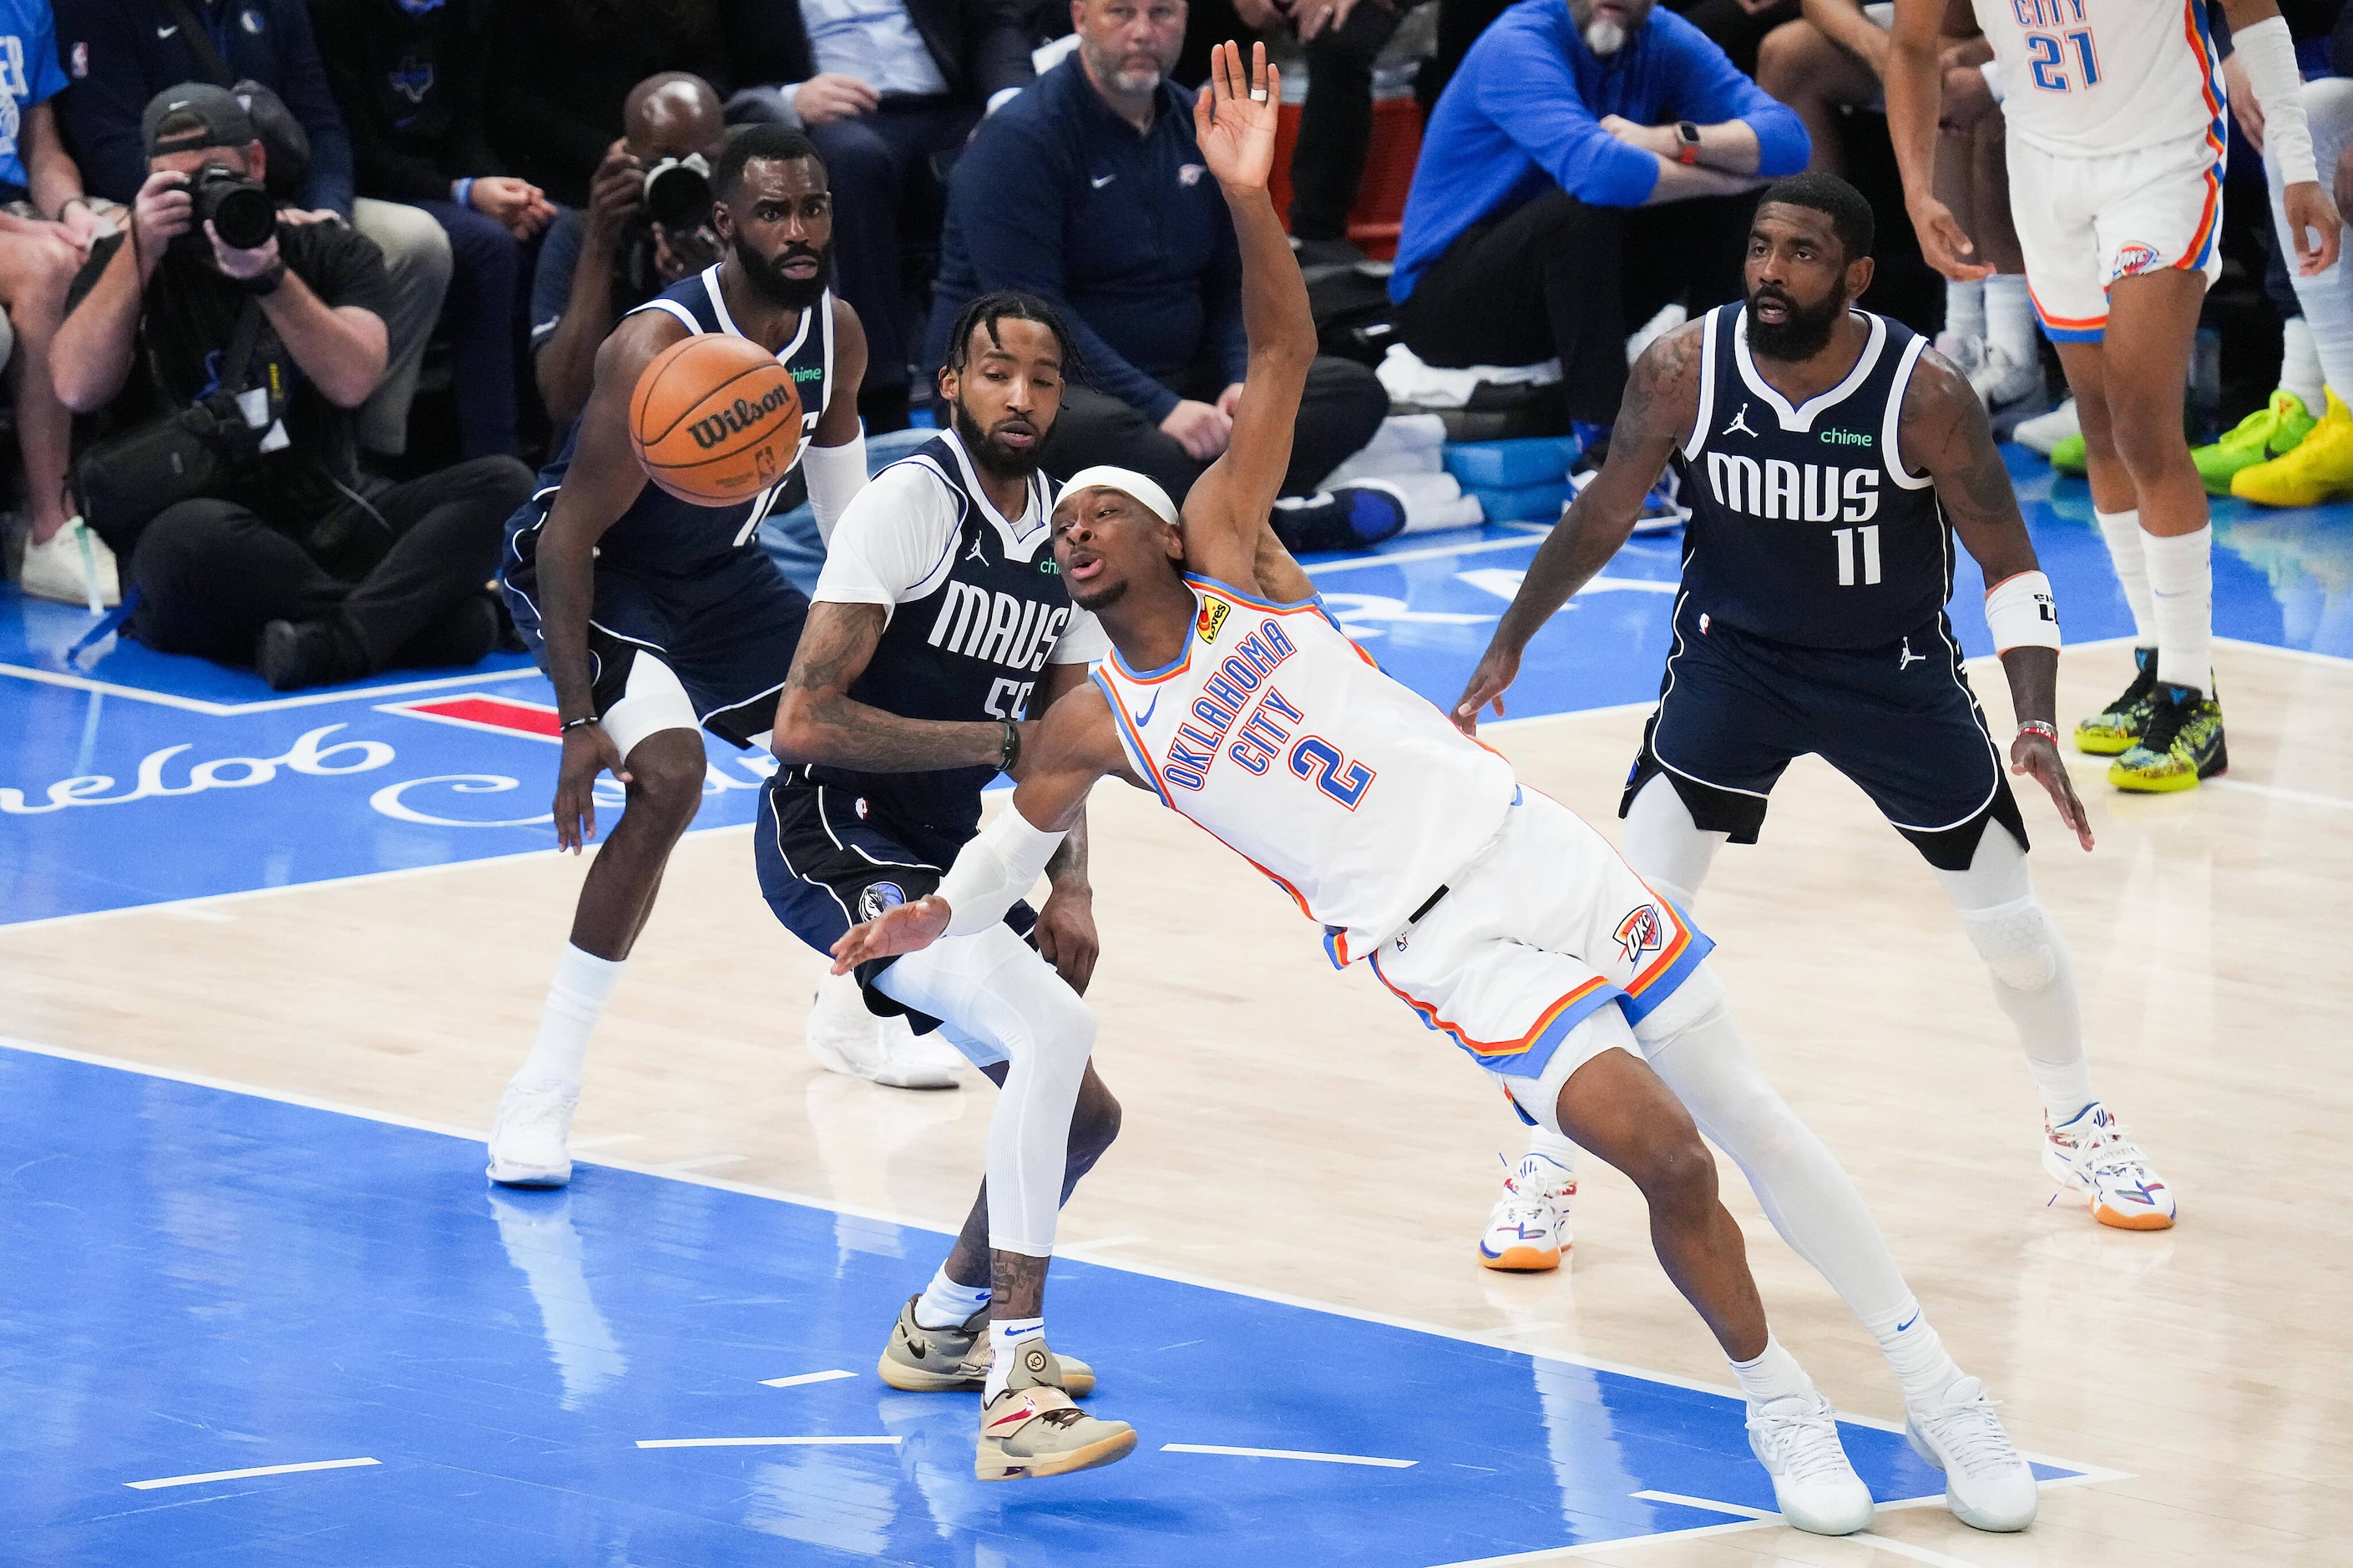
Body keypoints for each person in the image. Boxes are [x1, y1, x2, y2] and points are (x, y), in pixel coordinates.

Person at [834, 46, 2037, 1535]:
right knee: (1657, 1149)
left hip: (1531, 852)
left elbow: (1280, 360)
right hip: (1437, 943)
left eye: (1097, 510)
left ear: (1157, 534)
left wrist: (1248, 195)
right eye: (1058, 524)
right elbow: (1009, 850)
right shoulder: (1091, 722)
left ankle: (1934, 1385)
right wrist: (930, 919)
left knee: (1756, 1120)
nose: (1070, 531)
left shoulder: (1238, 571)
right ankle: (1780, 1396)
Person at [1455, 174, 2175, 1297]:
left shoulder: (1924, 392)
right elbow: (1601, 513)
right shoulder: (1685, 368)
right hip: (1731, 664)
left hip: (1887, 676)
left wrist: (2033, 716)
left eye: (1798, 254)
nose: (1767, 273)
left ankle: (2075, 1118)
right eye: (1757, 247)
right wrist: (1508, 644)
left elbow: (2011, 564)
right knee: (1632, 925)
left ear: (1854, 276)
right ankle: (1550, 1154)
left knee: (2008, 926)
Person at [760, 288, 1134, 1483]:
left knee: (1082, 1111)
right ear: (949, 386)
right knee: (1051, 1025)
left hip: (946, 856)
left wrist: (1070, 887)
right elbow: (802, 720)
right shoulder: (910, 506)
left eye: (1038, 376)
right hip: (836, 838)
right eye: (994, 372)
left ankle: (937, 1324)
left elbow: (1065, 737)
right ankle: (1017, 1384)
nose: (1018, 395)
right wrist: (986, 744)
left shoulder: (1066, 538)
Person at [487, 124, 874, 1190]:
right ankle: (542, 1089)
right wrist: (575, 723)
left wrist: (880, 665)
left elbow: (852, 538)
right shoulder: (651, 350)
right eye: (772, 214)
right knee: (667, 780)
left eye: (814, 209)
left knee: (862, 747)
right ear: (723, 225)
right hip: (600, 573)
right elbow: (567, 538)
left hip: (720, 580)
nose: (799, 233)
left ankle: (856, 1005)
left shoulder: (835, 335)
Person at [1885, 0, 2340, 791]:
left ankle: (2193, 697)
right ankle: (2156, 663)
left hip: (2164, 158)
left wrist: (2297, 168)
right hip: (2044, 168)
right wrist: (1917, 189)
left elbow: (2258, 17)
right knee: (2097, 423)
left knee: (2141, 420)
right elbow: (1913, 45)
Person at [53, 85, 529, 689]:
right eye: (175, 183)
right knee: (186, 543)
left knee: (508, 485)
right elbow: (74, 387)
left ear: (255, 163)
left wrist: (272, 279)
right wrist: (139, 252)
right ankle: (410, 620)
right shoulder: (121, 263)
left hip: (330, 513)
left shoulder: (330, 250)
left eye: (212, 175)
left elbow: (354, 379)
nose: (199, 197)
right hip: (208, 531)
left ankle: (338, 643)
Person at [923, 0, 1389, 516]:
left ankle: (1195, 513)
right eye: (1121, 13)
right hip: (1054, 382)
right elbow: (1030, 314)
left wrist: (1242, 380)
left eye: (1162, 14)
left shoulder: (1201, 125)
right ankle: (1255, 522)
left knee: (1351, 391)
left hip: (1187, 377)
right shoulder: (1019, 139)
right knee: (1100, 433)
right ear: (1081, 20)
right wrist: (1162, 408)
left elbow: (1231, 284)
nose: (1143, 33)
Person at [1389, 0, 1809, 460]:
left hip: (1573, 289)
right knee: (1588, 207)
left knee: (1739, 208)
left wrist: (1672, 140)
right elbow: (1602, 174)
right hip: (1447, 304)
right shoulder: (1519, 43)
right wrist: (1727, 178)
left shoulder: (1662, 38)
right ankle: (1604, 451)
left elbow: (1790, 141)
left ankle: (1721, 425)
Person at [54, 0, 453, 460]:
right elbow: (108, 143)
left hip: (262, 185)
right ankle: (160, 456)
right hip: (146, 194)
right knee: (107, 247)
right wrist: (177, 208)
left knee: (418, 241)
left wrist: (326, 212)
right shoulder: (101, 10)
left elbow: (320, 121)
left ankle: (370, 447)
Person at [726, 0, 1039, 429]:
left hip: (950, 105)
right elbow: (714, 74)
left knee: (1012, 144)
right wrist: (790, 98)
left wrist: (1010, 102)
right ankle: (881, 394)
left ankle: (1027, 366)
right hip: (837, 123)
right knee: (852, 163)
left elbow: (994, 22)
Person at [1754, 0, 2040, 409]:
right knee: (1789, 55)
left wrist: (1927, 61)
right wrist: (1881, 50)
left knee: (1944, 50)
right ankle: (1824, 321)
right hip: (1917, 41)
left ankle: (1998, 347)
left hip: (2021, 45)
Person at [311, 0, 557, 461]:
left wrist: (507, 193)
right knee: (490, 246)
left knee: (550, 226)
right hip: (370, 184)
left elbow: (467, 127)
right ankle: (493, 456)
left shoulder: (468, 11)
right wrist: (463, 192)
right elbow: (355, 149)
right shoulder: (337, 14)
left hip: (442, 182)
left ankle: (554, 442)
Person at [2, 0, 121, 607]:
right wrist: (29, 236)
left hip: (14, 209)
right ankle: (52, 521)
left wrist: (74, 214)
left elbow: (40, 149)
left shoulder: (27, 8)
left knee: (123, 245)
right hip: (8, 229)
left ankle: (139, 498)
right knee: (47, 267)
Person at [531, 73, 732, 432]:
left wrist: (719, 285)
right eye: (665, 161)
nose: (686, 177)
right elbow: (565, 402)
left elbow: (794, 379)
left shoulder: (744, 224)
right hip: (612, 446)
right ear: (629, 158)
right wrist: (599, 243)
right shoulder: (581, 235)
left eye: (704, 161)